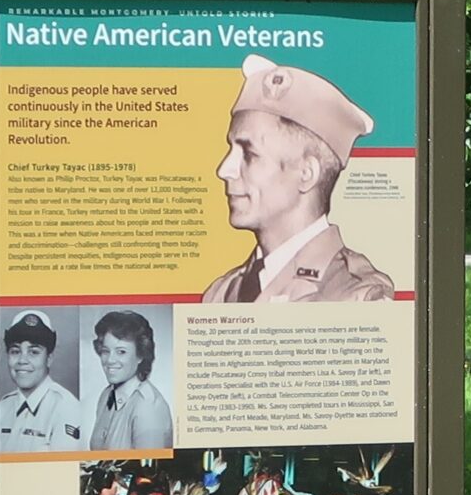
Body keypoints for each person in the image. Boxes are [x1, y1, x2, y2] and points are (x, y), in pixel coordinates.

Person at [202, 55, 396, 302]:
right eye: (231, 150)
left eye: (249, 153)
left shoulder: (358, 295)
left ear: (306, 173)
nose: (224, 169)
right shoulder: (220, 293)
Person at [0, 310, 84, 451]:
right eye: (15, 351)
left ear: (49, 359)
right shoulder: (3, 406)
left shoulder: (66, 408)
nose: (22, 361)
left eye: (34, 352)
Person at [87, 309, 175, 451]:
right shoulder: (106, 396)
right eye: (105, 351)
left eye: (121, 352)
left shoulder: (148, 408)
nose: (110, 360)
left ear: (140, 355)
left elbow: (146, 469)